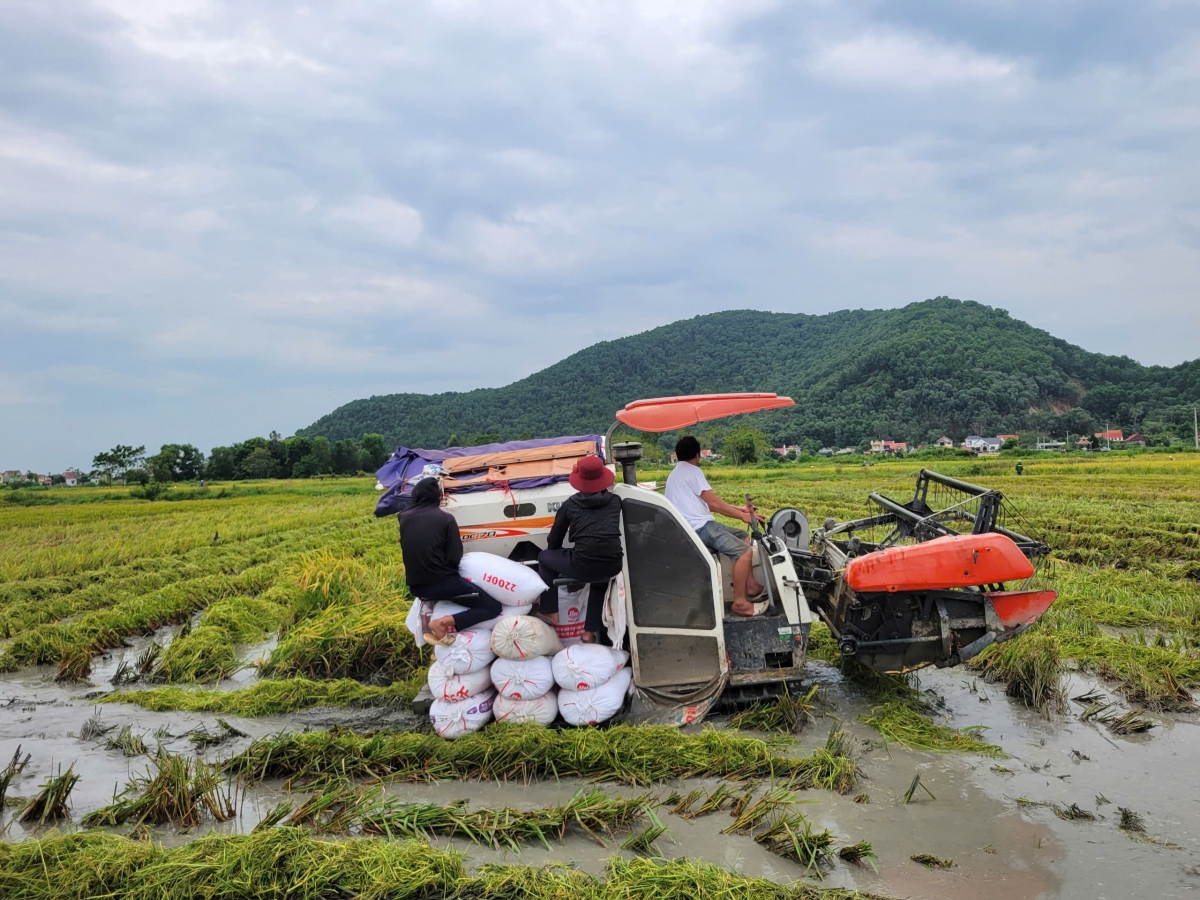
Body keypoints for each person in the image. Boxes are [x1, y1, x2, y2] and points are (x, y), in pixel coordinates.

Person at [665, 436, 766, 616]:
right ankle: (740, 603)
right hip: (700, 528)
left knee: (743, 536)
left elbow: (705, 503)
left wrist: (740, 509)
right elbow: (714, 505)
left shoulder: (676, 474)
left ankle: (750, 586)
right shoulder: (693, 471)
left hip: (694, 525)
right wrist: (743, 516)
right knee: (744, 552)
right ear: (697, 455)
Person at [400, 477, 501, 645]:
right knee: (493, 607)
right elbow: (455, 556)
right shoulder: (445, 519)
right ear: (438, 497)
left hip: (416, 587)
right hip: (442, 583)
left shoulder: (403, 517)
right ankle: (441, 623)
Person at [537, 456, 624, 643]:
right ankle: (588, 634)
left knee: (544, 557)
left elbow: (554, 540)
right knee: (600, 579)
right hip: (614, 563)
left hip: (583, 564)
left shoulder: (571, 504)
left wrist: (557, 555)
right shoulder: (616, 501)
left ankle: (550, 611)